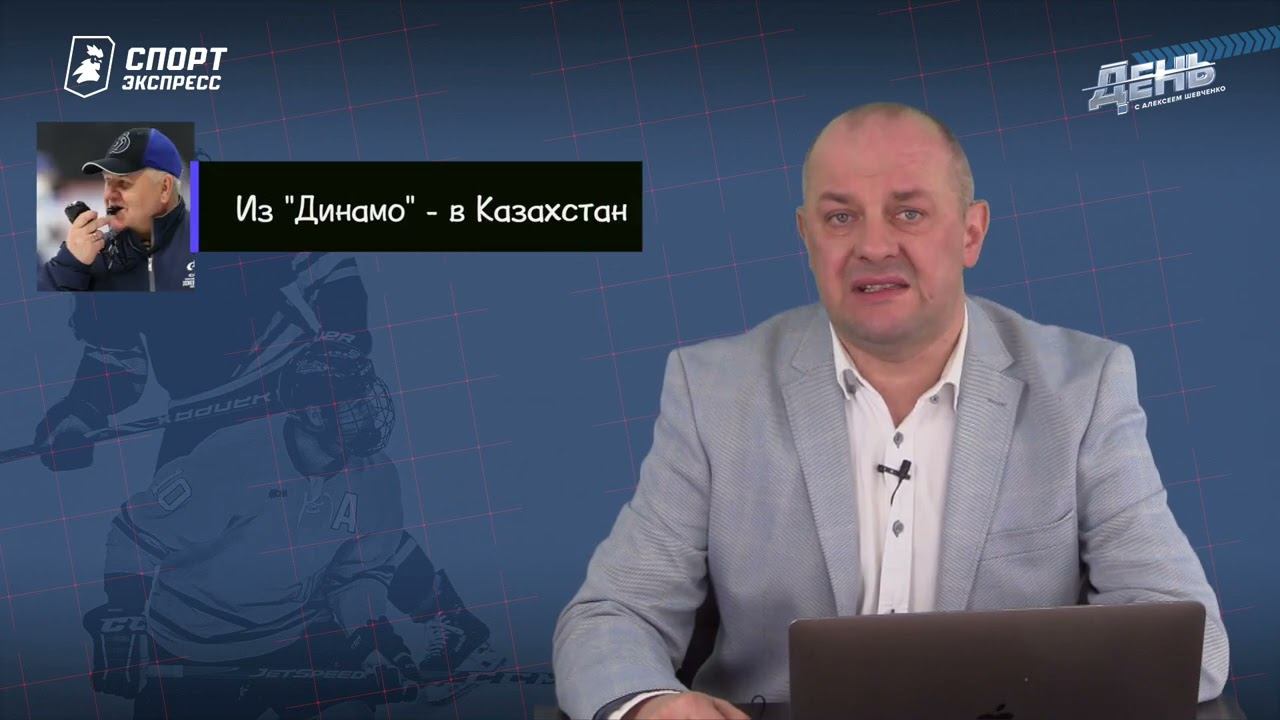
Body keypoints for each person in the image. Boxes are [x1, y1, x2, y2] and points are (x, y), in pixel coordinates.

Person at [552, 102, 1230, 720]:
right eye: (840, 217)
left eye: (908, 213)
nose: (873, 246)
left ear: (971, 232)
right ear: (807, 237)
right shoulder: (713, 391)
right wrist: (650, 707)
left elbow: (1190, 642)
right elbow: (611, 615)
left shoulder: (1083, 387)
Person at [83, 343, 498, 719]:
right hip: (194, 645)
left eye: (367, 397)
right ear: (314, 413)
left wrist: (373, 639)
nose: (370, 411)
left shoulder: (377, 476)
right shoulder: (229, 459)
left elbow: (357, 575)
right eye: (354, 403)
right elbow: (134, 536)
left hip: (299, 633)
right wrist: (124, 617)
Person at [39, 126, 195, 292]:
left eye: (123, 183)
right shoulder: (91, 258)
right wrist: (70, 265)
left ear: (164, 188)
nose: (109, 195)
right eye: (107, 181)